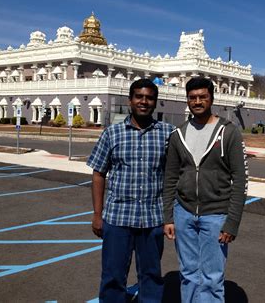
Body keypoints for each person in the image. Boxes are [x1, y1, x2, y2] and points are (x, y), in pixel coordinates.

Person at [87, 79, 174, 303]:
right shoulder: (112, 133)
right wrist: (97, 215)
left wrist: (170, 216)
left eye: (149, 98)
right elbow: (98, 174)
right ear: (130, 100)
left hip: (152, 219)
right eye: (139, 97)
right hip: (118, 218)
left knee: (151, 275)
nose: (144, 102)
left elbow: (175, 176)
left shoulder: (167, 134)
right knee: (113, 276)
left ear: (155, 102)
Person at [163, 76, 248, 302]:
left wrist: (232, 222)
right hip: (184, 213)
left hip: (216, 215)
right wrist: (168, 217)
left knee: (212, 277)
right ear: (187, 100)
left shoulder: (228, 132)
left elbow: (240, 179)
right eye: (192, 98)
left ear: (212, 98)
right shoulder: (178, 133)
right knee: (188, 273)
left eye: (202, 97)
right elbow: (170, 177)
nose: (197, 101)